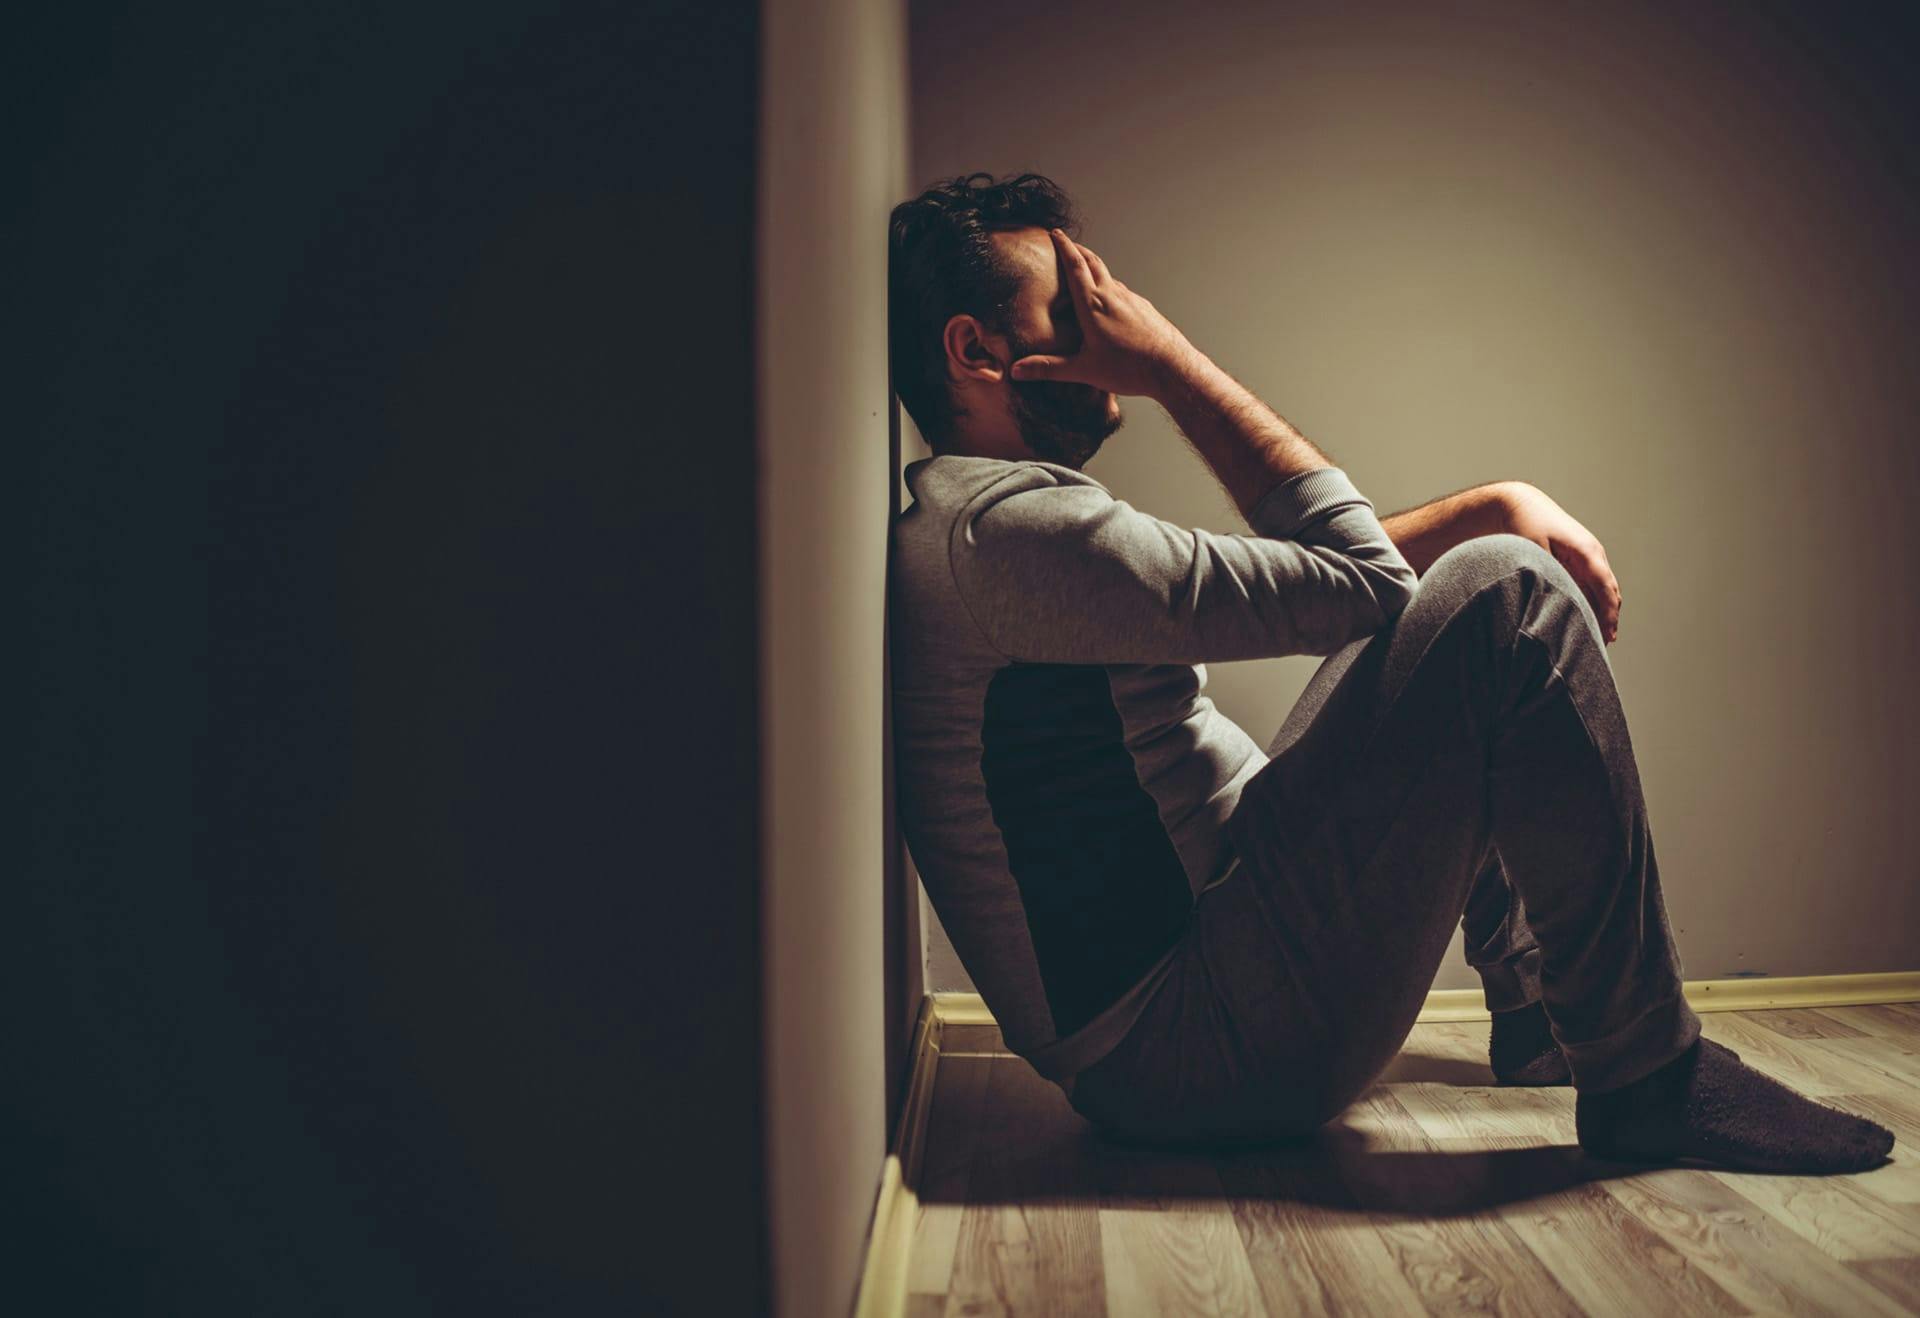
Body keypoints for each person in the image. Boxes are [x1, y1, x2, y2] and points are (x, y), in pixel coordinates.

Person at [886, 171, 1894, 1174]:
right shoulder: (1014, 536)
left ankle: (1542, 1016)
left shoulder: (996, 524)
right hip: (1186, 1052)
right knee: (1505, 599)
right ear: (976, 350)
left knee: (1467, 611)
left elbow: (1322, 590)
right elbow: (1362, 580)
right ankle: (1648, 1076)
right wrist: (1171, 362)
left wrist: (1492, 501)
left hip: (1210, 969)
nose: (1116, 316)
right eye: (1073, 303)